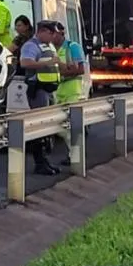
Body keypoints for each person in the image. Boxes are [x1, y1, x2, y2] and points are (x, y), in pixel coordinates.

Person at [19, 21, 62, 175]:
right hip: (38, 89)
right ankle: (39, 162)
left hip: (49, 89)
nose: (54, 36)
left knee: (47, 126)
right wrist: (47, 64)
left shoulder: (48, 45)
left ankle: (45, 161)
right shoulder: (31, 45)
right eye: (51, 33)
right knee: (39, 125)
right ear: (43, 31)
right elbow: (25, 63)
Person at [53, 22, 87, 166]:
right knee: (60, 127)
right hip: (58, 91)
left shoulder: (73, 47)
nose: (53, 36)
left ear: (62, 33)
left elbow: (80, 69)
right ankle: (74, 153)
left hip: (73, 91)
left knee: (71, 126)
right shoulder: (51, 49)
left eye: (55, 33)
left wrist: (63, 72)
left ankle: (76, 156)